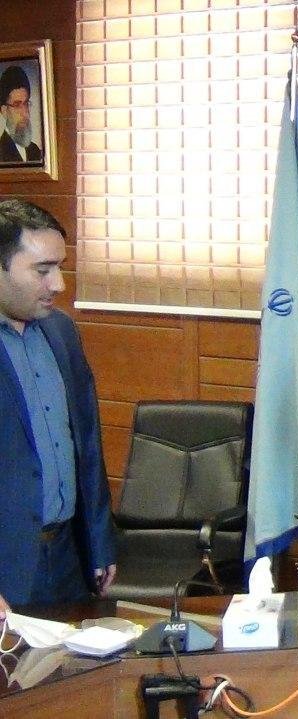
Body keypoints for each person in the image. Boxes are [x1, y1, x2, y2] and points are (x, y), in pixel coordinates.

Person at [0, 199, 116, 618]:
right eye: (42, 270)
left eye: (60, 267)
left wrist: (99, 540)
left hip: (69, 557)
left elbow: (86, 442)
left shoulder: (61, 331)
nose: (60, 284)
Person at [0, 66, 43, 165]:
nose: (25, 112)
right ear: (4, 111)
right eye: (17, 105)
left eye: (26, 103)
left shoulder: (35, 150)